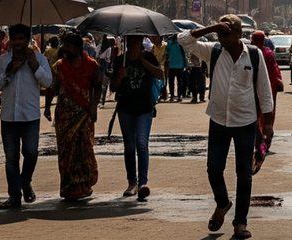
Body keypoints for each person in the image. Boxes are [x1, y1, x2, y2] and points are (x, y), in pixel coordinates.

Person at [180, 15, 274, 239]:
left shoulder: (253, 54)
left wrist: (267, 124)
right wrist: (211, 28)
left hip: (245, 122)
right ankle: (222, 203)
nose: (221, 38)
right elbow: (183, 39)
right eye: (219, 34)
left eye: (226, 33)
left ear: (239, 34)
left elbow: (264, 90)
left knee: (244, 174)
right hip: (219, 121)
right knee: (213, 169)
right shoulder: (213, 51)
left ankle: (240, 223)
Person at [0, 24, 52, 210]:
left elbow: (48, 82)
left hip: (30, 116)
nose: (17, 42)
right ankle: (14, 195)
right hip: (9, 116)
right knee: (11, 158)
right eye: (14, 38)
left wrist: (35, 66)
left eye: (21, 39)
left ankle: (25, 182)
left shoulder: (39, 59)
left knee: (31, 154)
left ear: (27, 40)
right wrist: (10, 70)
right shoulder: (3, 61)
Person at [45, 32, 100, 201]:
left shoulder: (92, 66)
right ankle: (68, 187)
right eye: (64, 46)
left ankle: (85, 185)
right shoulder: (60, 66)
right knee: (66, 151)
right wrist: (47, 106)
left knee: (84, 149)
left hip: (84, 114)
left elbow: (97, 87)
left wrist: (93, 106)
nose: (65, 49)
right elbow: (52, 87)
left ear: (78, 48)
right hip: (64, 116)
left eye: (68, 46)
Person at [110, 35, 164, 201]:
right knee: (129, 146)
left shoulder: (148, 56)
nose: (133, 45)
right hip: (125, 109)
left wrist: (144, 62)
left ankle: (142, 183)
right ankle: (131, 183)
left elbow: (160, 74)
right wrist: (119, 75)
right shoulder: (120, 60)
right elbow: (113, 87)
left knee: (141, 144)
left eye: (136, 42)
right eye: (130, 42)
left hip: (144, 109)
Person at [248, 32, 282, 153]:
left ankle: (259, 142)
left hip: (253, 86)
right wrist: (278, 82)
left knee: (256, 113)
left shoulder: (250, 52)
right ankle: (263, 143)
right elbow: (275, 70)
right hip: (268, 86)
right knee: (267, 113)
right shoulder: (267, 53)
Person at [165, 37, 188, 102]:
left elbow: (184, 53)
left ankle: (178, 96)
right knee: (173, 82)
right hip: (173, 65)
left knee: (178, 82)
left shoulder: (178, 43)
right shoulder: (170, 43)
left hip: (178, 66)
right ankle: (173, 96)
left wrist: (185, 65)